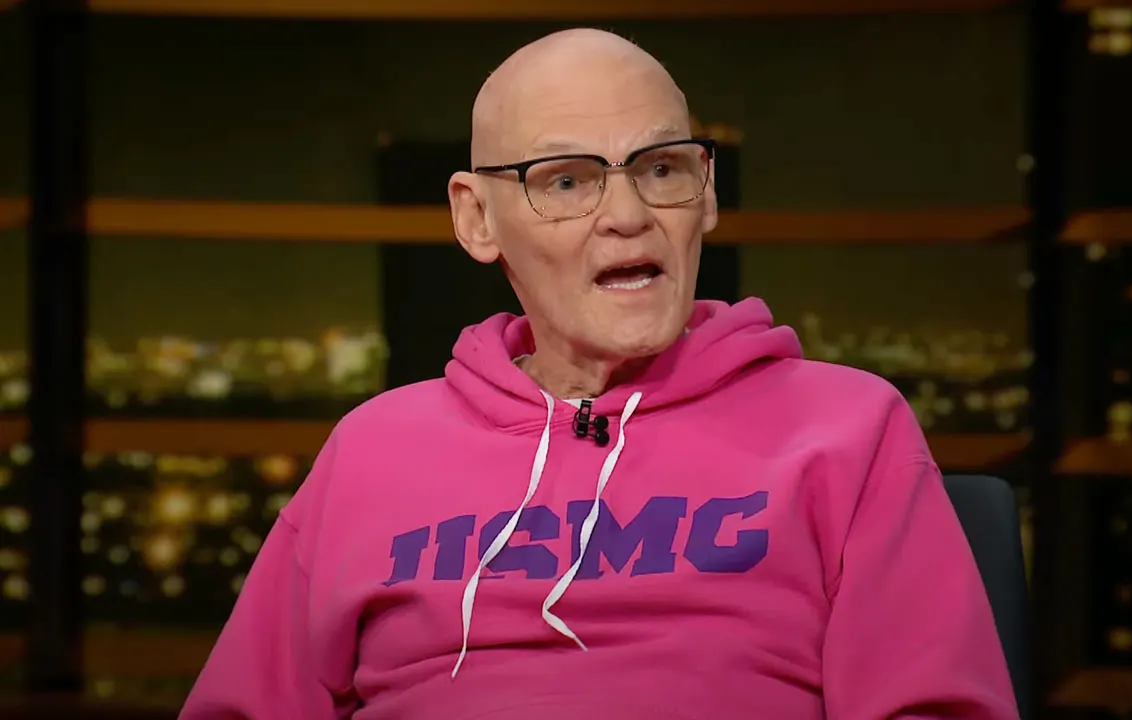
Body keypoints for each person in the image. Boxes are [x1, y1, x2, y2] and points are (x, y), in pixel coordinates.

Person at [180, 28, 1018, 720]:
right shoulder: (372, 450)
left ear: (707, 193)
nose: (627, 215)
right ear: (476, 218)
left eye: (661, 169)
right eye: (568, 180)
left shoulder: (848, 428)